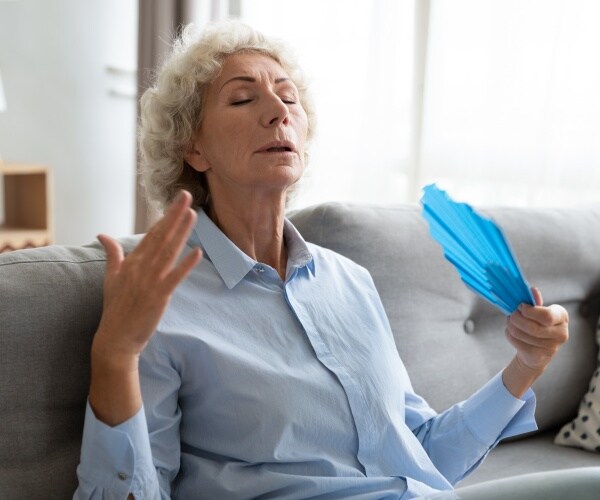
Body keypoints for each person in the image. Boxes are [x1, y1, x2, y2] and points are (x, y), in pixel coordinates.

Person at [74, 20, 571, 499]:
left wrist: (527, 364)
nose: (277, 111)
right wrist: (114, 357)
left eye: (288, 97)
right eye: (243, 98)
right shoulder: (158, 294)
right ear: (193, 147)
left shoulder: (349, 280)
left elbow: (421, 457)